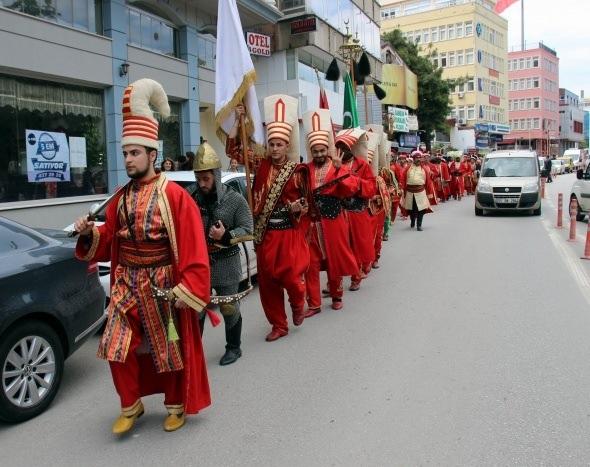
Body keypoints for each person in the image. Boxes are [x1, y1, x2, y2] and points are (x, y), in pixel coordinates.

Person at [73, 79, 211, 434]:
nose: (129, 160)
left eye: (135, 153)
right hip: (126, 282)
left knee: (167, 348)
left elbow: (194, 245)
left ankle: (176, 405)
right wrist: (91, 233)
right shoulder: (120, 196)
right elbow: (110, 241)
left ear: (152, 154)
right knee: (115, 344)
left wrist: (189, 286)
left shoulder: (175, 197)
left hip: (163, 282)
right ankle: (130, 405)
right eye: (125, 154)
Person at [247, 95, 310, 342]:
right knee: (268, 284)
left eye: (279, 144)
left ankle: (297, 302)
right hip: (265, 235)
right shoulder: (260, 166)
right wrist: (241, 117)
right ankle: (279, 324)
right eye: (271, 144)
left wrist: (297, 207)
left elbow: (307, 203)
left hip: (288, 235)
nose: (274, 149)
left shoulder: (297, 172)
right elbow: (240, 148)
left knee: (292, 279)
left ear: (287, 146)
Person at [192, 142, 253, 365]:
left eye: (206, 179)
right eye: (198, 179)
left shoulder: (234, 200)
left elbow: (248, 230)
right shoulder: (191, 198)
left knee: (229, 306)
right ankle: (195, 352)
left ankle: (234, 348)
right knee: (196, 307)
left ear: (216, 176)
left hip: (226, 260)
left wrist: (226, 236)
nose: (202, 184)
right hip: (199, 263)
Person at [303, 109, 359, 315]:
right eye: (314, 151)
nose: (318, 154)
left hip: (333, 219)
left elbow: (351, 188)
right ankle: (314, 303)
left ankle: (337, 296)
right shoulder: (304, 169)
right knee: (311, 263)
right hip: (311, 222)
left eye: (321, 151)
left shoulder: (337, 166)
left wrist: (340, 169)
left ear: (327, 149)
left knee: (334, 259)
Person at [335, 128, 377, 291]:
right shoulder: (332, 165)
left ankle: (356, 276)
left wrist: (354, 182)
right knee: (339, 247)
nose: (341, 151)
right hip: (339, 212)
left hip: (357, 211)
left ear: (350, 148)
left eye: (344, 148)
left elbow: (371, 187)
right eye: (338, 148)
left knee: (356, 246)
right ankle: (334, 282)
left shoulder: (362, 165)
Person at [400, 150, 436, 231]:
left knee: (422, 209)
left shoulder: (424, 169)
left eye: (420, 158)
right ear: (414, 159)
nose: (418, 159)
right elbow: (403, 178)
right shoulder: (408, 168)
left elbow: (428, 182)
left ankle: (419, 225)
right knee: (411, 209)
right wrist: (401, 188)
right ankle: (412, 221)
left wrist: (429, 193)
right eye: (417, 158)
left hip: (421, 191)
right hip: (410, 192)